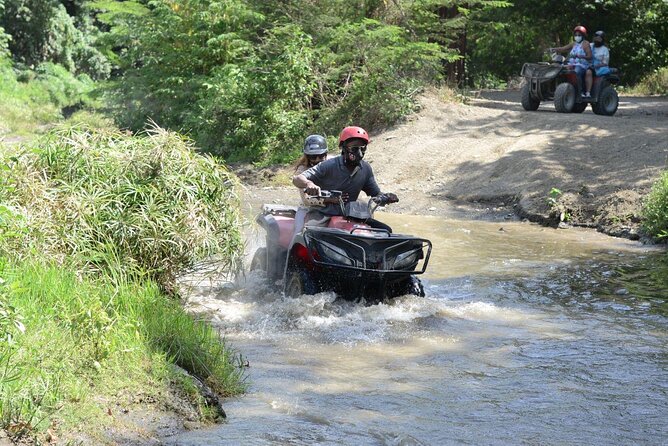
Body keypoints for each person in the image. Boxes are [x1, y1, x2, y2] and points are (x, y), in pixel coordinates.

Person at [292, 126, 397, 232]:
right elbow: (297, 180)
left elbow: (376, 194)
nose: (359, 153)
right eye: (354, 149)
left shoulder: (366, 169)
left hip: (351, 214)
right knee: (307, 234)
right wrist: (309, 183)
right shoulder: (328, 165)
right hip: (323, 214)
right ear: (344, 148)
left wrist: (386, 197)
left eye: (363, 148)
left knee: (386, 230)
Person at [554, 25, 592, 97]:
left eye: (579, 35)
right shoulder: (574, 43)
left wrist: (580, 56)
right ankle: (563, 89)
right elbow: (563, 48)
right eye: (576, 35)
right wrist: (554, 49)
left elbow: (590, 57)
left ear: (583, 35)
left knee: (576, 72)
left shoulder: (586, 44)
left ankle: (580, 92)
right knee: (560, 70)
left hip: (582, 65)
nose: (577, 36)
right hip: (571, 64)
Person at [294, 134, 329, 205]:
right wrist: (330, 200)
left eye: (321, 156)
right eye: (313, 157)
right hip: (312, 209)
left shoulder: (332, 163)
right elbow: (306, 200)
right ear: (307, 157)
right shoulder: (302, 170)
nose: (317, 159)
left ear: (326, 154)